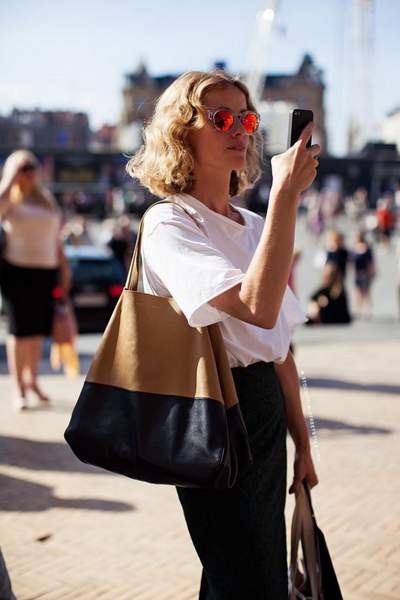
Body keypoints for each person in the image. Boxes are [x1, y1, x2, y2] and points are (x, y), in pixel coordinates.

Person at [126, 70, 320, 599]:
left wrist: (304, 444)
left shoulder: (255, 225)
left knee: (237, 578)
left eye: (248, 118)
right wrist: (286, 194)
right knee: (249, 581)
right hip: (209, 413)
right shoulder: (169, 224)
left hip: (263, 414)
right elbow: (255, 309)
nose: (240, 129)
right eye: (222, 118)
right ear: (181, 131)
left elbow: (279, 347)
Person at [0, 150, 71, 410]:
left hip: (46, 271)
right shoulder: (9, 197)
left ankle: (32, 381)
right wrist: (10, 177)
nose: (28, 171)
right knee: (19, 332)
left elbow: (56, 238)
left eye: (31, 166)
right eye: (23, 167)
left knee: (38, 330)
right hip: (16, 270)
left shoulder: (46, 199)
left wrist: (64, 270)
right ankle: (17, 388)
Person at [350, 230, 376, 319]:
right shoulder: (354, 249)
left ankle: (368, 311)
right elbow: (351, 262)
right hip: (357, 273)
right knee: (357, 293)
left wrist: (372, 272)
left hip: (365, 273)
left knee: (366, 293)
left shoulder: (367, 248)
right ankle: (357, 311)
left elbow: (370, 262)